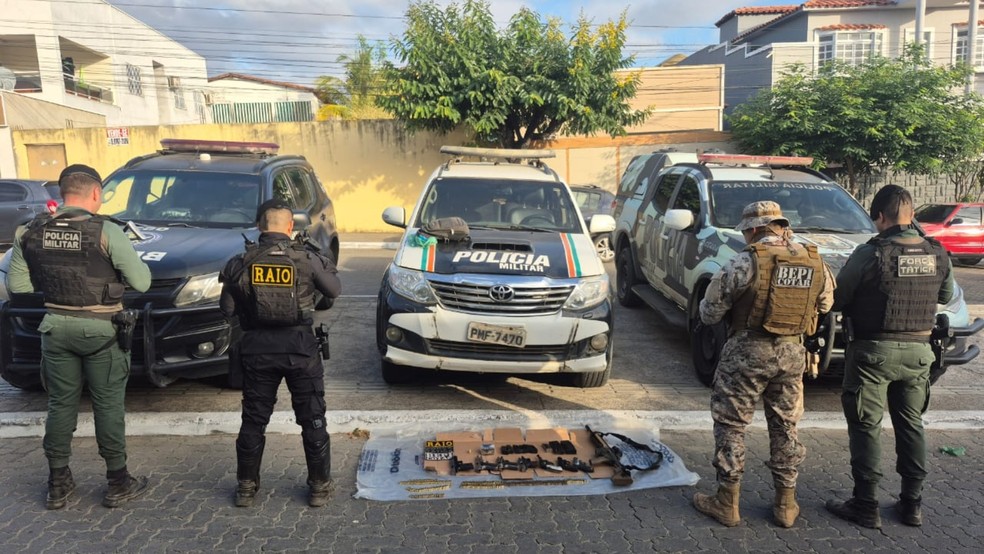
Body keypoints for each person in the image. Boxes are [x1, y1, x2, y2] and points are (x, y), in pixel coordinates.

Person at [7, 164, 152, 510]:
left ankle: (58, 483)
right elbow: (143, 282)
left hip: (55, 328)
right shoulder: (106, 231)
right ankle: (117, 482)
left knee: (60, 405)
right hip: (101, 330)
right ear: (96, 194)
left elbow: (18, 286)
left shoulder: (29, 230)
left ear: (61, 193)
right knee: (108, 406)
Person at [693, 201, 834, 528]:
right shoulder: (814, 260)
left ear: (755, 229)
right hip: (792, 353)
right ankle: (785, 504)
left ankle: (727, 502)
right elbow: (826, 303)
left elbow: (709, 313)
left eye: (746, 232)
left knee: (732, 423)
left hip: (746, 352)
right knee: (786, 425)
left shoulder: (742, 262)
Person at [825, 185, 953, 529]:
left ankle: (866, 504)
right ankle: (912, 504)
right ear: (911, 215)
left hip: (872, 353)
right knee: (911, 425)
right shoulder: (937, 251)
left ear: (880, 217)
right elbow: (947, 293)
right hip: (919, 354)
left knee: (866, 426)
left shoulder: (871, 253)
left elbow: (838, 298)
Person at [219, 199, 341, 508]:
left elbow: (226, 309)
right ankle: (318, 488)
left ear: (260, 227)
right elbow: (334, 290)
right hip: (300, 349)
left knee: (253, 420)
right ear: (290, 227)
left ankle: (246, 488)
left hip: (257, 350)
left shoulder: (240, 261)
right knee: (312, 418)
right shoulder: (306, 258)